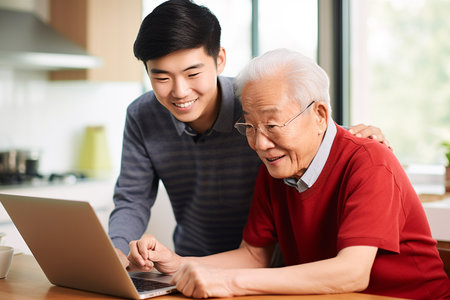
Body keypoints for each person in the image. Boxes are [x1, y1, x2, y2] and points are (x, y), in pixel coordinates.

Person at [127, 49, 450, 299]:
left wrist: (228, 281)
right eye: (250, 126)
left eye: (271, 124)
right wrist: (179, 264)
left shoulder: (369, 161)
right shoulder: (277, 169)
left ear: (320, 115)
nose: (260, 143)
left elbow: (352, 273)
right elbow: (254, 255)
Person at [109, 0, 388, 264]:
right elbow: (132, 199)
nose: (180, 92)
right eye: (161, 78)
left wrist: (356, 138)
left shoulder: (254, 103)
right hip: (191, 263)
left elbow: (309, 139)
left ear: (219, 60)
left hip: (273, 265)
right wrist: (118, 252)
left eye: (193, 74)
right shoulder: (142, 116)